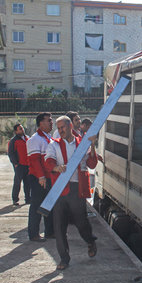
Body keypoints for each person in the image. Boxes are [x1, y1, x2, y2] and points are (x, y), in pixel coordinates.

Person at [45, 116, 99, 270]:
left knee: (81, 222)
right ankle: (64, 258)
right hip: (60, 190)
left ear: (70, 127)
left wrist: (93, 145)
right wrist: (56, 168)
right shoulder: (53, 145)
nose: (60, 130)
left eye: (63, 127)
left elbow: (92, 163)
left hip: (77, 189)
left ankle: (90, 240)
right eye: (59, 128)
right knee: (59, 226)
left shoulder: (82, 143)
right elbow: (48, 161)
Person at [26, 113, 55, 241]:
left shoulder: (48, 138)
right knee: (37, 206)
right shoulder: (35, 139)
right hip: (39, 179)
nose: (51, 123)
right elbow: (35, 161)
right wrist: (41, 177)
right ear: (41, 123)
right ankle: (33, 234)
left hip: (49, 177)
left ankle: (49, 232)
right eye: (49, 120)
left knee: (48, 206)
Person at [8, 123, 31, 205]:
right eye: (20, 129)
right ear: (16, 131)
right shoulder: (14, 140)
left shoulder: (27, 138)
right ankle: (15, 199)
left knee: (27, 183)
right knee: (17, 182)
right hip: (19, 165)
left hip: (28, 164)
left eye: (22, 128)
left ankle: (28, 198)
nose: (22, 130)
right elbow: (11, 153)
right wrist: (15, 163)